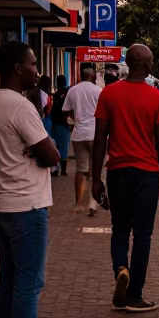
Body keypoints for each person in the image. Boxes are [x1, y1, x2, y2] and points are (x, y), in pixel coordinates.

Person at [0, 41, 63, 318]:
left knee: (8, 282)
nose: (37, 70)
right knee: (28, 285)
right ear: (18, 68)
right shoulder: (20, 106)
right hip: (26, 205)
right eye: (33, 64)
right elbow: (52, 155)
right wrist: (36, 154)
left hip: (0, 204)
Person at [92, 43, 159, 313]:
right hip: (147, 174)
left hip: (117, 173)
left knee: (119, 230)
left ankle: (120, 270)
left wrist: (96, 179)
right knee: (142, 235)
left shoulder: (109, 93)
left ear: (130, 65)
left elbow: (100, 139)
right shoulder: (157, 98)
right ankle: (135, 295)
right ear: (148, 65)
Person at [62, 65, 101, 215]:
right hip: (94, 135)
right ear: (93, 77)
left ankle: (78, 203)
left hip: (78, 135)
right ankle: (92, 204)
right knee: (95, 171)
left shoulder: (73, 90)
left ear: (82, 76)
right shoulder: (98, 91)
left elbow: (67, 112)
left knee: (80, 170)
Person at [50, 74, 71, 176]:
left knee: (56, 147)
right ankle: (63, 170)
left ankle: (55, 169)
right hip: (64, 124)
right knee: (64, 148)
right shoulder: (66, 93)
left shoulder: (55, 94)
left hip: (55, 123)